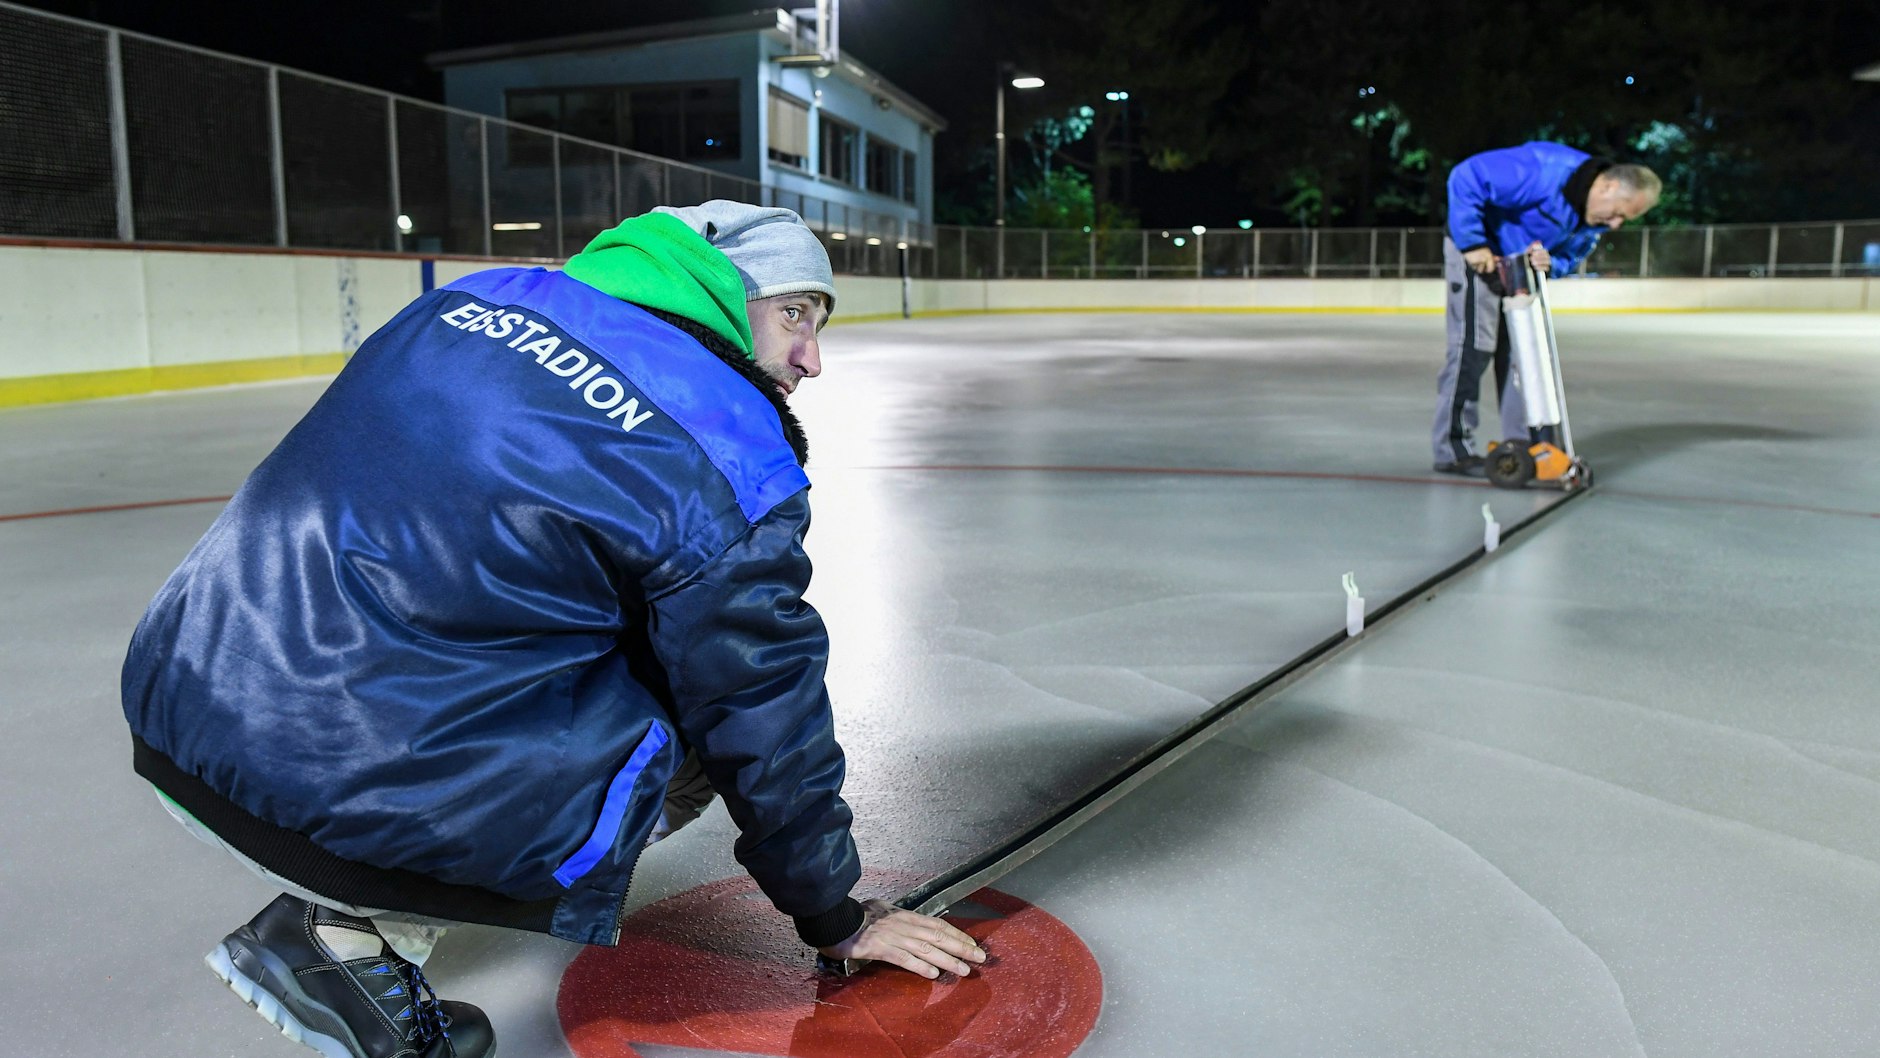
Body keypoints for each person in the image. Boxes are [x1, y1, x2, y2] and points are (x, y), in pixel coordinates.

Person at [121, 200, 986, 1058]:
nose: (812, 357)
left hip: (185, 689)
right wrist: (833, 915)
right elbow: (759, 697)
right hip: (335, 763)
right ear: (721, 291)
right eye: (796, 314)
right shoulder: (722, 446)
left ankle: (338, 904)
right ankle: (335, 936)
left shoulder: (475, 298)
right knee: (688, 708)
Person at [1431, 142, 1660, 475]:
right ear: (1608, 186)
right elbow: (1466, 177)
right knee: (1473, 350)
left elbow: (1571, 254)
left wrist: (1552, 263)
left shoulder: (1590, 221)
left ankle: (1523, 445)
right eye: (1620, 212)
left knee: (1523, 356)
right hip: (1480, 252)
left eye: (1625, 219)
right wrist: (1473, 242)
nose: (1615, 225)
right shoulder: (1544, 170)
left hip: (1520, 266)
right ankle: (1452, 450)